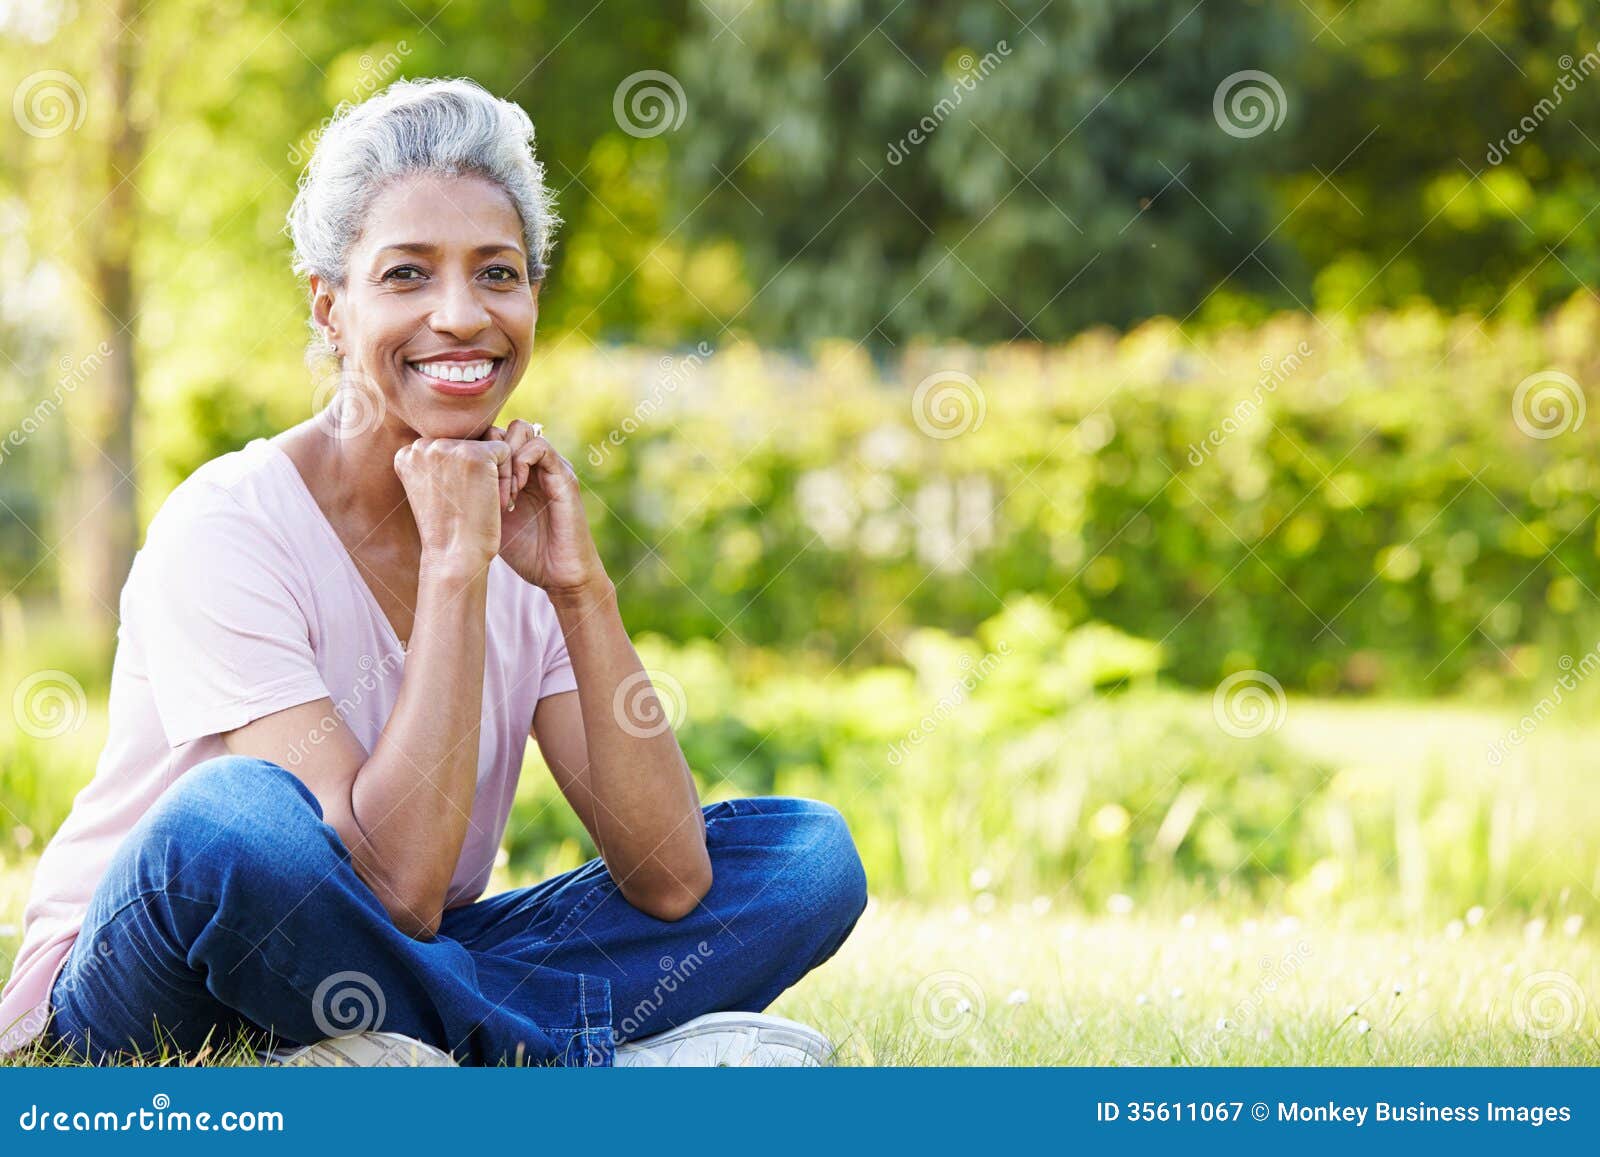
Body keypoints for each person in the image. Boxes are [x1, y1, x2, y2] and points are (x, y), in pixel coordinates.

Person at [0, 77, 867, 1067]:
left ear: (531, 296)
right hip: (154, 979)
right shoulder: (228, 523)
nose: (460, 315)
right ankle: (579, 1069)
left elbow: (669, 878)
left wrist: (580, 590)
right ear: (330, 307)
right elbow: (394, 884)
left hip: (387, 964)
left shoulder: (519, 522)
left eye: (497, 273)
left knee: (803, 860)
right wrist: (458, 571)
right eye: (407, 274)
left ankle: (380, 1054)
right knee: (228, 820)